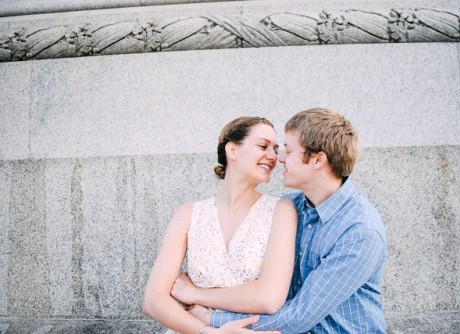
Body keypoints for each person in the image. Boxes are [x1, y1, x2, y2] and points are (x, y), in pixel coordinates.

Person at [172, 107, 388, 333]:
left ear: (316, 160)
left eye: (288, 150)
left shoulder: (360, 232)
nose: (280, 159)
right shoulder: (289, 207)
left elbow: (300, 316)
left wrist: (211, 318)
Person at [142, 116, 298, 334]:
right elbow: (153, 300)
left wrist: (195, 294)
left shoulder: (281, 211)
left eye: (276, 149)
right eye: (263, 146)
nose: (274, 157)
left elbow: (269, 297)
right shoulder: (188, 214)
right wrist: (209, 332)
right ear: (232, 151)